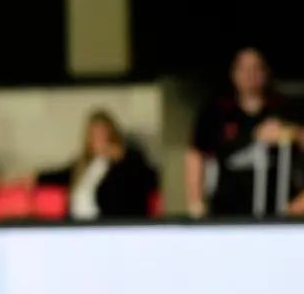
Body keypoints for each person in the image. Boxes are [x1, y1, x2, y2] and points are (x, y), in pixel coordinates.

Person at [186, 47, 304, 218]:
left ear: (266, 72)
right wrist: (196, 202)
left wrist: (290, 132)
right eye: (244, 69)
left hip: (280, 212)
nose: (250, 74)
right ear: (233, 73)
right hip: (228, 212)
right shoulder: (216, 111)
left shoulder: (285, 108)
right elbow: (195, 154)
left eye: (256, 68)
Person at [25, 110, 158, 220]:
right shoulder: (82, 164)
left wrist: (119, 155)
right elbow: (57, 175)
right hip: (77, 224)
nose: (99, 140)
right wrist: (30, 178)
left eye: (102, 134)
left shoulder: (126, 162)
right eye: (94, 135)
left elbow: (147, 177)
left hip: (108, 225)